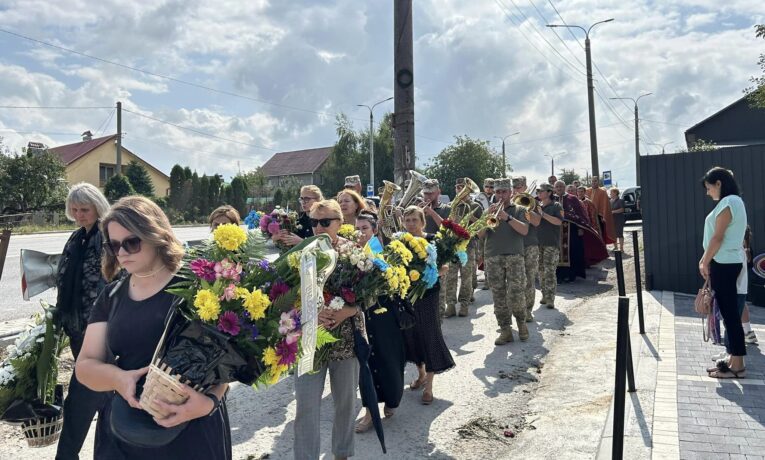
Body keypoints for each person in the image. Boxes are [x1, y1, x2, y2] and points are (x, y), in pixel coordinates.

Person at [76, 196, 231, 459]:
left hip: (192, 432)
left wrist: (207, 404)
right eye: (114, 245)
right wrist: (119, 378)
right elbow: (84, 366)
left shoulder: (198, 288)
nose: (122, 252)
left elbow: (227, 362)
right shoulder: (111, 296)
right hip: (126, 432)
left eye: (131, 243)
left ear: (155, 235)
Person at [294, 199, 364, 459]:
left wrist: (349, 310)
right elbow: (285, 297)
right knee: (305, 406)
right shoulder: (301, 254)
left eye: (326, 222)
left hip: (345, 341)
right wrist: (308, 310)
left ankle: (342, 453)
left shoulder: (355, 253)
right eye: (314, 222)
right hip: (309, 342)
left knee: (345, 404)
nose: (319, 227)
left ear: (340, 222)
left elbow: (373, 295)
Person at [55, 183, 111, 460]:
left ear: (97, 207)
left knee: (81, 397)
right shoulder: (76, 238)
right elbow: (64, 277)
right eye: (74, 210)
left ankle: (66, 456)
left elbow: (113, 283)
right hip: (77, 330)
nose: (79, 215)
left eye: (84, 209)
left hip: (101, 331)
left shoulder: (108, 237)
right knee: (106, 398)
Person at [353, 211, 406, 433]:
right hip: (361, 313)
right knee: (366, 362)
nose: (360, 233)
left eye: (365, 228)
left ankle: (392, 398)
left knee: (388, 358)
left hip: (384, 314)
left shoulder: (382, 251)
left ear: (374, 230)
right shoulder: (351, 252)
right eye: (357, 228)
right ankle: (369, 412)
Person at [401, 206, 455, 404]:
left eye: (415, 220)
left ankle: (429, 387)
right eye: (407, 220)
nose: (411, 224)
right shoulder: (401, 241)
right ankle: (421, 374)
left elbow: (445, 266)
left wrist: (432, 274)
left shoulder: (433, 240)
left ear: (423, 222)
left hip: (429, 293)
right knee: (412, 335)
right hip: (407, 293)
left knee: (430, 335)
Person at [700, 167, 747, 379]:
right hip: (727, 262)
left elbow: (717, 237)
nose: (708, 192)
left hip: (724, 263)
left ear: (719, 183)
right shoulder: (735, 202)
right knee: (729, 314)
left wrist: (705, 261)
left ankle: (738, 365)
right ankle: (732, 359)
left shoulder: (729, 202)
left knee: (729, 316)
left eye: (709, 187)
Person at [479, 178, 529, 344]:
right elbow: (480, 235)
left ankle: (521, 323)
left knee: (516, 293)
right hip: (493, 256)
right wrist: (487, 217)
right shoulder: (489, 210)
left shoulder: (520, 209)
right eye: (498, 192)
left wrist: (507, 217)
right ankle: (505, 329)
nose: (500, 195)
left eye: (504, 192)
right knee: (498, 295)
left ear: (510, 192)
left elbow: (524, 230)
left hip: (514, 255)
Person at [443, 177, 482, 318]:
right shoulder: (452, 205)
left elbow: (481, 226)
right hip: (453, 244)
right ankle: (451, 305)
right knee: (451, 276)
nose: (459, 190)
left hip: (469, 245)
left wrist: (470, 217)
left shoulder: (476, 206)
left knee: (466, 276)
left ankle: (464, 304)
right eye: (457, 187)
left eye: (462, 187)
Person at [516, 178, 541, 322]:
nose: (517, 189)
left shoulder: (533, 202)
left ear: (525, 187)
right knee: (515, 280)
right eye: (515, 187)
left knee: (529, 278)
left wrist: (525, 208)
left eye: (520, 187)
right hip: (513, 245)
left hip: (530, 244)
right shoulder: (508, 203)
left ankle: (527, 310)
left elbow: (537, 222)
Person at [536, 184, 563, 309]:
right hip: (538, 243)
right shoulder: (538, 206)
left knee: (550, 271)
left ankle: (551, 298)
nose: (538, 193)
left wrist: (543, 215)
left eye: (540, 191)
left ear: (549, 192)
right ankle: (544, 295)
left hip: (551, 244)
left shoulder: (556, 206)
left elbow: (558, 221)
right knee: (540, 271)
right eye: (537, 191)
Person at [586, 177, 615, 245]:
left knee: (600, 231)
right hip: (588, 216)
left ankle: (602, 245)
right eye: (592, 181)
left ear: (598, 182)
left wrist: (603, 215)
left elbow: (605, 205)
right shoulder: (587, 191)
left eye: (595, 181)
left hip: (598, 216)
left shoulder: (602, 192)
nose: (593, 182)